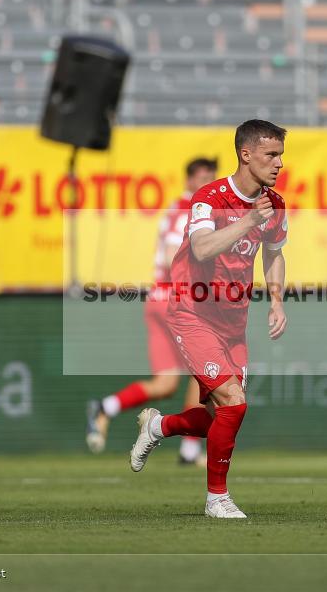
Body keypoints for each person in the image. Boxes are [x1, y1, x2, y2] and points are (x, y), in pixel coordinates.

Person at [128, 120, 289, 518]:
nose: (279, 163)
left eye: (281, 155)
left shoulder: (275, 204)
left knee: (221, 418)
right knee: (234, 403)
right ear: (246, 155)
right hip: (192, 312)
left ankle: (158, 427)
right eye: (271, 155)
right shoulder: (208, 198)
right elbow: (200, 248)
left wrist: (277, 301)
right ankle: (217, 499)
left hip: (233, 321)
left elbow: (274, 253)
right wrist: (248, 220)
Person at [85, 158, 219, 466]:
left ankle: (105, 407)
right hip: (176, 299)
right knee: (205, 371)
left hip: (158, 299)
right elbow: (174, 255)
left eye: (211, 177)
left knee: (165, 383)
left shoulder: (182, 207)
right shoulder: (190, 209)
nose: (208, 183)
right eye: (203, 177)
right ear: (189, 180)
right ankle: (189, 450)